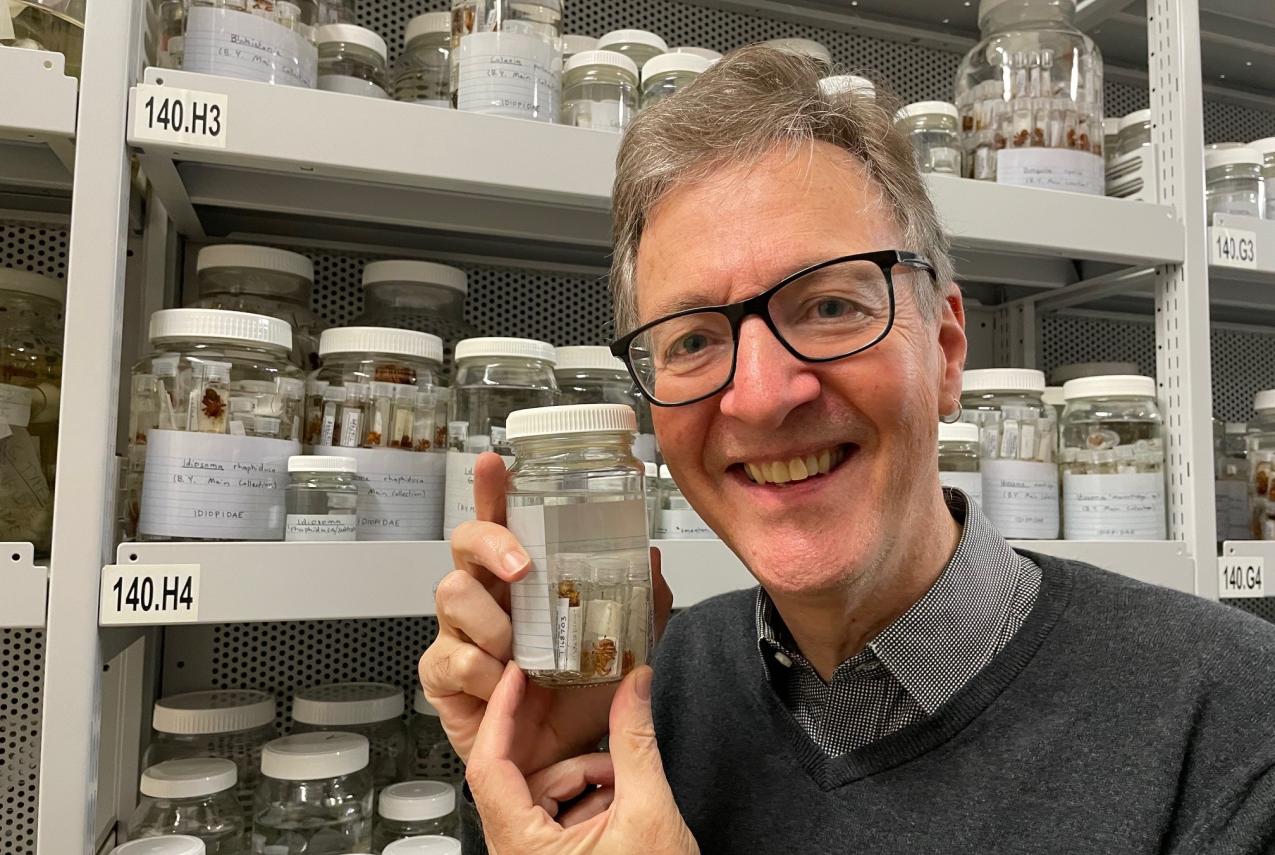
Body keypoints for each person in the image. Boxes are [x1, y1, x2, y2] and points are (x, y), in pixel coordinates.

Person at [419, 46, 1275, 854]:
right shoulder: (642, 694)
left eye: (829, 306)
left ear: (943, 351)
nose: (759, 394)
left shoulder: (1234, 719)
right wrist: (542, 788)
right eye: (689, 341)